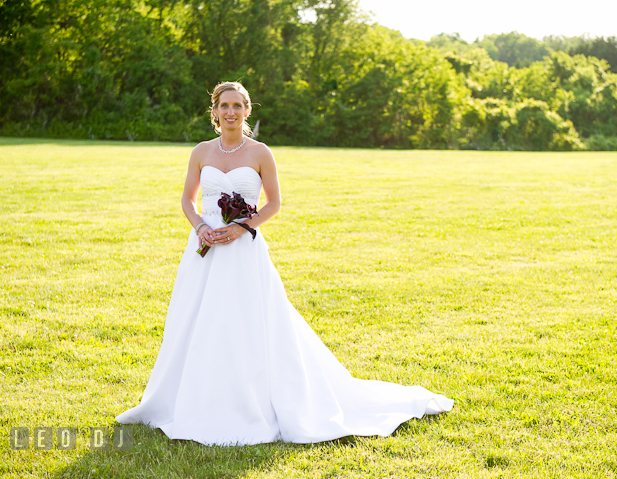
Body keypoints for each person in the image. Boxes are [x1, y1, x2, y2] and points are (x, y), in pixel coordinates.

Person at [115, 81, 454, 446]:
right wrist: (201, 227)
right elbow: (187, 200)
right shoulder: (201, 152)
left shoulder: (261, 153)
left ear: (247, 110)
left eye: (237, 106)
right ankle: (191, 399)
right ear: (214, 111)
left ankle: (249, 401)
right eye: (223, 106)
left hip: (243, 251)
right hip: (204, 250)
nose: (230, 112)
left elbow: (274, 204)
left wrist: (242, 227)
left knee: (246, 322)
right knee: (196, 321)